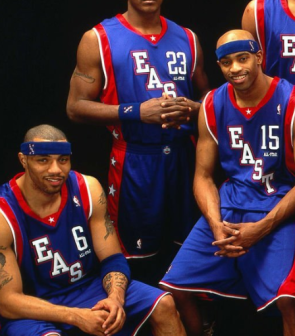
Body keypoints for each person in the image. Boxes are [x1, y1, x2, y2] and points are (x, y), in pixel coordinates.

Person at [159, 30, 295, 336]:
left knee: (288, 299)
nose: (235, 68)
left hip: (278, 204)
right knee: (175, 288)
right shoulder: (211, 103)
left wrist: (262, 228)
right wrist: (216, 224)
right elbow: (203, 176)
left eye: (242, 58)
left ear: (258, 57)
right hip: (230, 205)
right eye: (226, 62)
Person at [66, 0, 210, 282]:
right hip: (134, 159)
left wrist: (194, 108)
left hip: (185, 157)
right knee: (137, 257)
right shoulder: (98, 38)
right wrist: (136, 112)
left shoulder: (188, 38)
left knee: (189, 252)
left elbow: (209, 98)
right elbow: (75, 107)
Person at [0, 125, 185, 336]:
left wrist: (115, 298)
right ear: (24, 160)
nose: (56, 170)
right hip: (34, 306)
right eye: (43, 160)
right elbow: (7, 302)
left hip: (89, 288)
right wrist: (76, 316)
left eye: (63, 160)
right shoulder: (4, 214)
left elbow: (112, 258)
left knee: (164, 304)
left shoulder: (87, 189)